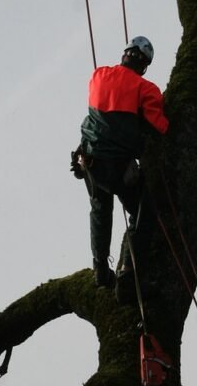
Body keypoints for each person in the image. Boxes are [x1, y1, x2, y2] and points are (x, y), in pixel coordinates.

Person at [71, 36, 169, 290]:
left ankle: (101, 270)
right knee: (143, 212)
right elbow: (160, 125)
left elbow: (96, 115)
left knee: (100, 212)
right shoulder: (146, 89)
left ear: (125, 54)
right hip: (119, 167)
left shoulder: (98, 75)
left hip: (91, 162)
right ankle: (129, 270)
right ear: (144, 65)